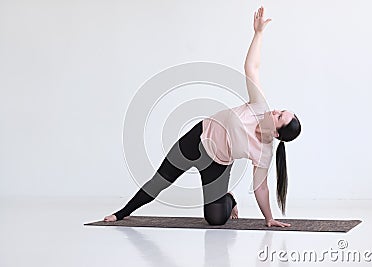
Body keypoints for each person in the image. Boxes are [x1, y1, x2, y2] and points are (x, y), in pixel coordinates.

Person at [104, 6, 301, 227]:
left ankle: (229, 198)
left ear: (276, 133)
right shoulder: (259, 105)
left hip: (218, 164)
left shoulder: (264, 153)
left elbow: (261, 187)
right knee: (161, 181)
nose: (275, 111)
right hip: (196, 140)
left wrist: (269, 219)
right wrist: (258, 34)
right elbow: (251, 67)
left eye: (279, 116)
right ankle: (122, 212)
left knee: (216, 220)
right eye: (280, 110)